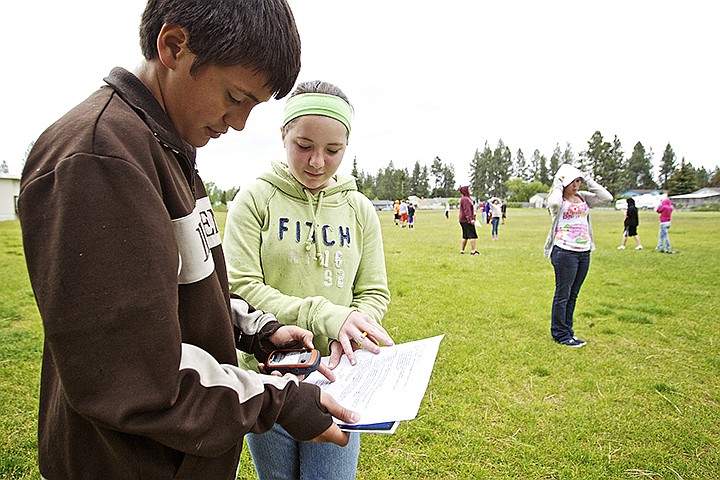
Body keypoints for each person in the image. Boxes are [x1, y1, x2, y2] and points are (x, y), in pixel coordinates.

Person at [17, 3, 357, 479]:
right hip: (129, 464)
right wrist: (278, 402)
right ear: (173, 46)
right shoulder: (99, 158)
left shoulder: (166, 147)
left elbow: (192, 286)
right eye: (236, 97)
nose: (238, 123)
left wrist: (258, 329)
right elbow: (137, 377)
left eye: (252, 107)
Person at [223, 80, 394, 480]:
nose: (317, 161)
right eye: (304, 145)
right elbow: (240, 288)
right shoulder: (255, 199)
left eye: (333, 150)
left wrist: (348, 331)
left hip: (341, 378)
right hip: (271, 379)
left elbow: (373, 291)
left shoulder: (359, 209)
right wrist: (327, 316)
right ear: (283, 135)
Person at [544, 164, 612, 348]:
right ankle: (560, 334)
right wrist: (558, 184)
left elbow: (607, 197)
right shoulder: (557, 198)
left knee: (573, 295)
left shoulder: (583, 197)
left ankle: (568, 331)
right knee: (563, 294)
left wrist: (588, 179)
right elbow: (555, 203)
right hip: (564, 251)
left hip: (584, 251)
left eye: (578, 181)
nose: (576, 185)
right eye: (573, 181)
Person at [458, 186, 479, 255]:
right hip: (466, 220)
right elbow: (467, 210)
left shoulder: (464, 199)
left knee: (465, 235)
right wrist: (470, 219)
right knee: (472, 235)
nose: (470, 190)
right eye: (469, 189)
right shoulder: (466, 199)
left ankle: (462, 250)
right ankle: (473, 251)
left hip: (462, 220)